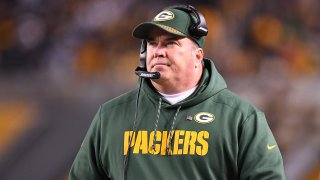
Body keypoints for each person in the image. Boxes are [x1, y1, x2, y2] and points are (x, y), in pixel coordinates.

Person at [69, 4, 285, 180]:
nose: (158, 51)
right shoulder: (111, 115)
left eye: (170, 43)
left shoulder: (241, 118)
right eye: (153, 43)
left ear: (198, 56)